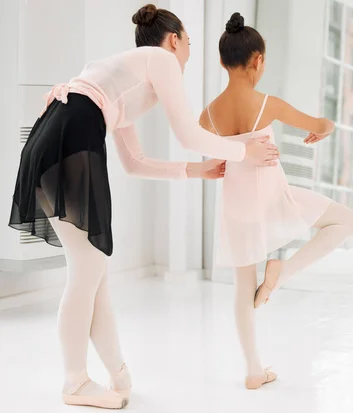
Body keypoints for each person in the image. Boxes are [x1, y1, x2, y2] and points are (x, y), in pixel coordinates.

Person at [8, 4, 279, 409]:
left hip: (59, 134)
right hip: (70, 133)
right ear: (173, 41)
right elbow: (188, 133)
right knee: (86, 271)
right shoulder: (160, 60)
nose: (188, 52)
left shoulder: (127, 81)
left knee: (92, 270)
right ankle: (75, 382)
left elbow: (135, 163)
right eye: (188, 42)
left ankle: (116, 375)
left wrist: (196, 173)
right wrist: (243, 152)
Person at [198, 13, 353, 390]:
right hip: (272, 197)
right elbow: (320, 124)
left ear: (223, 62)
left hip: (237, 207)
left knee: (242, 289)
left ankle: (254, 371)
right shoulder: (266, 103)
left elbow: (199, 144)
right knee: (347, 221)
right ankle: (282, 274)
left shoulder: (209, 113)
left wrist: (224, 153)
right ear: (257, 61)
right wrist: (326, 130)